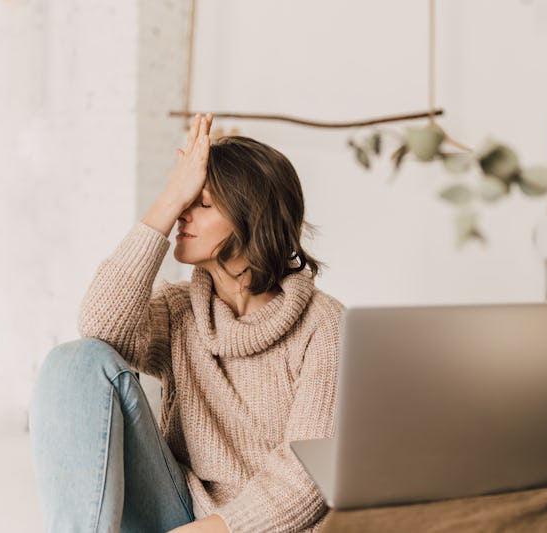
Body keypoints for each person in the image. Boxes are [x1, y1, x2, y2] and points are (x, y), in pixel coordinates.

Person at [29, 113, 343, 533]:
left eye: (202, 203)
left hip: (256, 528)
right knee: (74, 360)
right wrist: (166, 201)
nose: (182, 214)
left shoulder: (324, 324)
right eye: (183, 200)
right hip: (178, 507)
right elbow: (99, 330)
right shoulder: (181, 311)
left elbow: (308, 477)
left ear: (254, 219)